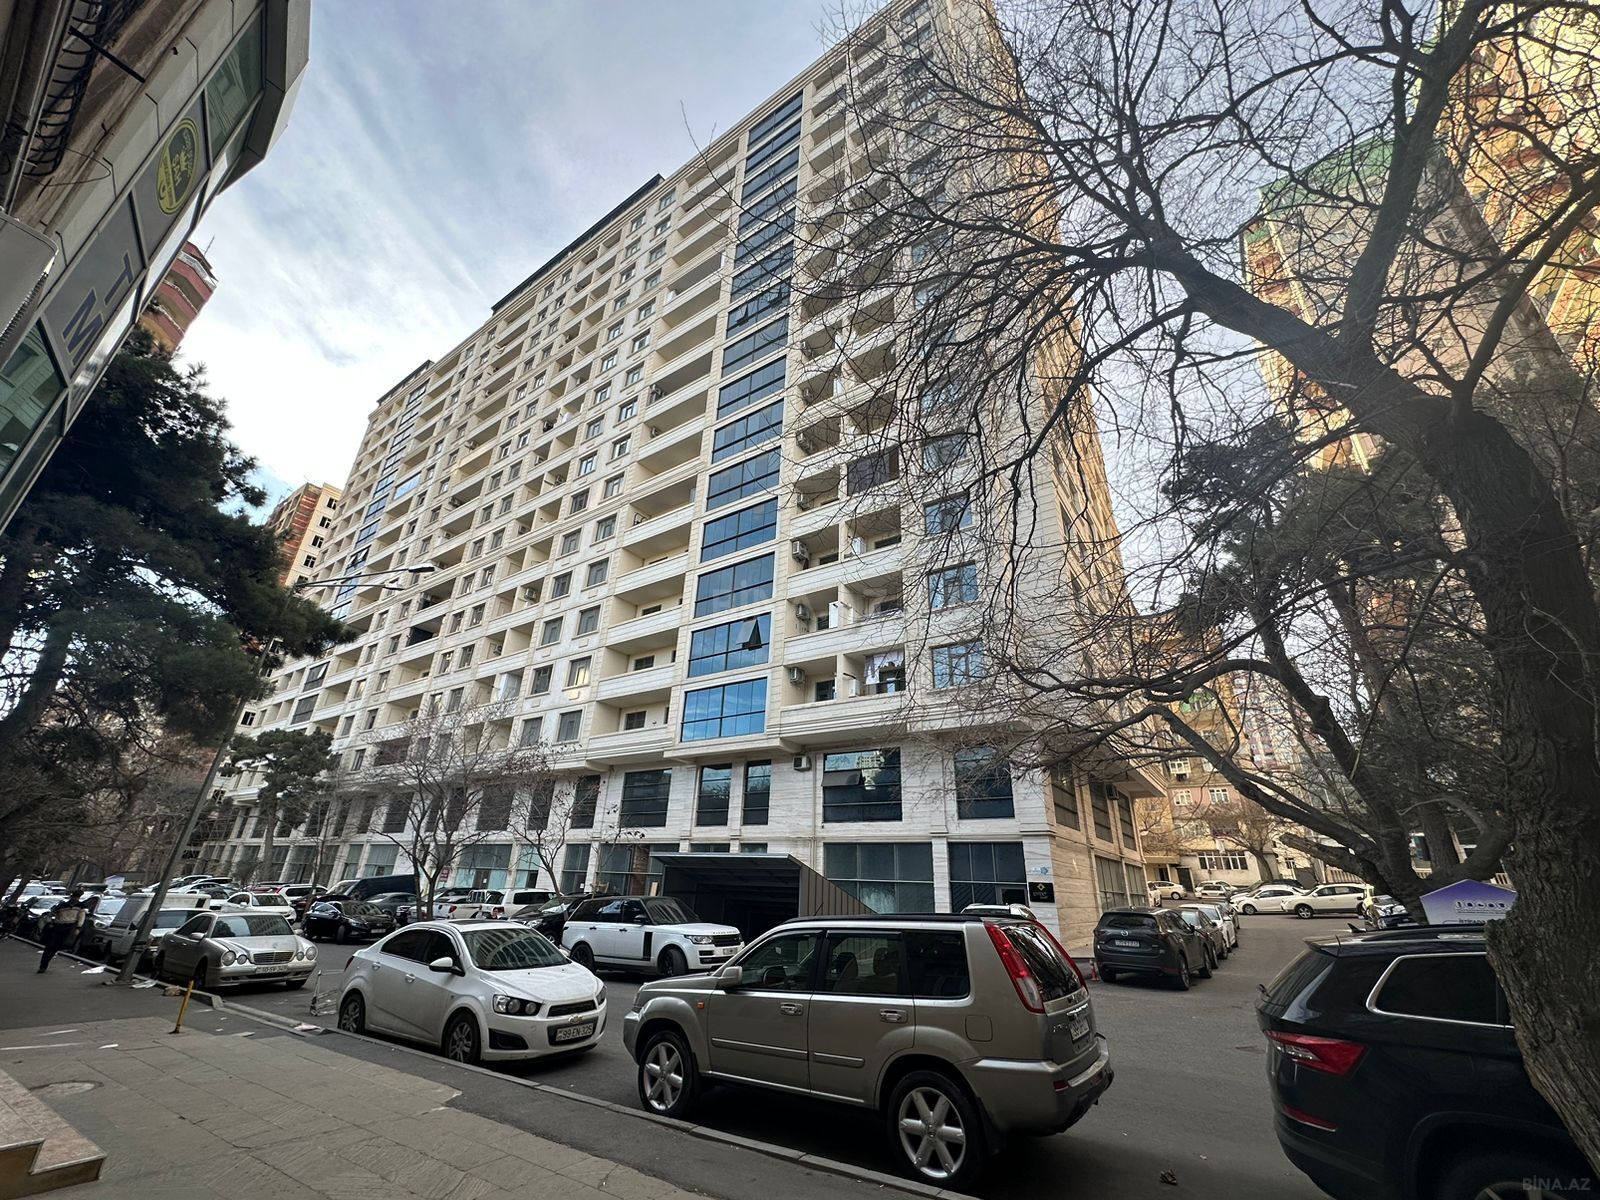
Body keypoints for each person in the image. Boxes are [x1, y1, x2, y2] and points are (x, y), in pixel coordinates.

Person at [38, 889, 88, 973]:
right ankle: (43, 965)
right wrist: (50, 922)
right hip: (58, 926)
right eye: (74, 897)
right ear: (71, 896)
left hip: (68, 927)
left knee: (56, 947)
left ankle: (45, 963)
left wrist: (78, 928)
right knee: (50, 946)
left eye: (77, 897)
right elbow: (51, 914)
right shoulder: (62, 905)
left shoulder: (80, 906)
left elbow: (81, 918)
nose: (75, 899)